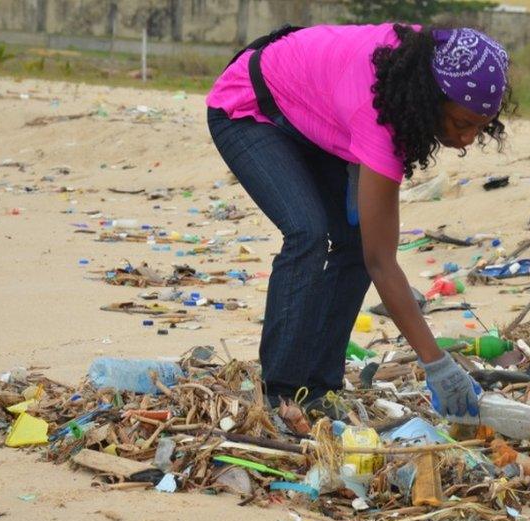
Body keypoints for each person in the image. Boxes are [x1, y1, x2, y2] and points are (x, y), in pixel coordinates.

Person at [206, 23, 511, 433]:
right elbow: (382, 261)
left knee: (351, 240)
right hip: (249, 108)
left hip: (313, 119)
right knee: (308, 233)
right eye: (461, 124)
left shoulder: (429, 61)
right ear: (429, 98)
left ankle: (319, 387)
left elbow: (367, 249)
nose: (469, 138)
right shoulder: (385, 109)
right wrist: (437, 363)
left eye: (481, 125)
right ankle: (278, 394)